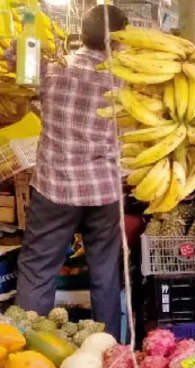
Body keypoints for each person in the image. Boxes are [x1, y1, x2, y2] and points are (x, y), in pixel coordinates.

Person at [3, 5, 128, 337]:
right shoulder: (126, 81)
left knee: (38, 268)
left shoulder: (54, 71)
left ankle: (26, 346)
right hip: (104, 191)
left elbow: (19, 65)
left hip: (54, 189)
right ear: (119, 41)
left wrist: (20, 48)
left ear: (81, 36)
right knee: (104, 272)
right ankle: (108, 346)